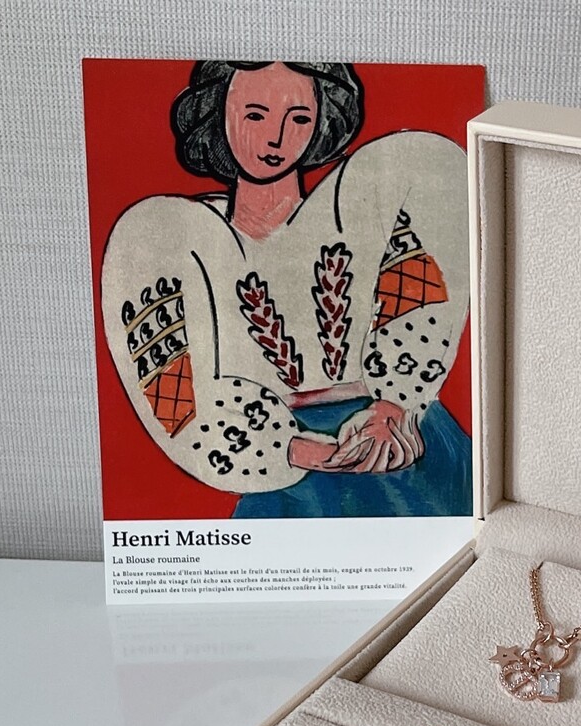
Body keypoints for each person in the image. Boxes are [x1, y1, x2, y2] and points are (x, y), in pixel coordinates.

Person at [101, 60, 471, 517]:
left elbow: (423, 297)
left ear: (321, 120)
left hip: (398, 441)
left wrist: (395, 406)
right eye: (255, 115)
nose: (276, 138)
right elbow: (178, 403)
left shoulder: (376, 192)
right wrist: (304, 451)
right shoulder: (168, 235)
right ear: (217, 113)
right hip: (275, 465)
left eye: (299, 118)